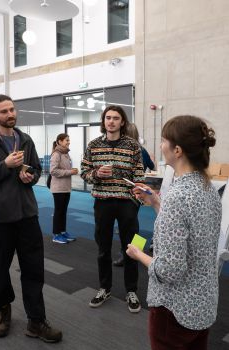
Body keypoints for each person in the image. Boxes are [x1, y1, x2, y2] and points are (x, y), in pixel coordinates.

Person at [0, 94, 62, 342]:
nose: (10, 114)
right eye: (4, 112)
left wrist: (30, 176)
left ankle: (36, 320)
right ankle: (3, 311)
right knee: (0, 269)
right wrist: (5, 165)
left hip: (27, 215)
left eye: (12, 110)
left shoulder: (26, 139)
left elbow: (35, 169)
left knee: (33, 269)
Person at [126, 115, 221, 350]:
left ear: (177, 150)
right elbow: (191, 233)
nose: (160, 146)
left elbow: (169, 270)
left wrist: (138, 254)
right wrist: (158, 203)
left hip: (174, 310)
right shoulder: (207, 187)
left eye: (163, 140)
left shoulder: (179, 196)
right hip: (202, 304)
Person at [81, 105, 145, 313]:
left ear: (122, 122)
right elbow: (84, 172)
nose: (111, 121)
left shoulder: (132, 146)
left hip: (127, 203)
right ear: (104, 121)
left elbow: (139, 174)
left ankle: (131, 291)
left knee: (132, 249)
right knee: (103, 249)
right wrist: (97, 175)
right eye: (108, 118)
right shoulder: (93, 145)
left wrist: (138, 197)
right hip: (103, 202)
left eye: (115, 118)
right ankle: (105, 288)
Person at [113, 122, 155, 267]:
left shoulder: (131, 150)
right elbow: (152, 166)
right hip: (136, 192)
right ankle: (133, 251)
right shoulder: (142, 149)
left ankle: (128, 253)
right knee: (131, 223)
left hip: (128, 192)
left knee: (128, 225)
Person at [50, 133, 78, 244]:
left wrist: (70, 171)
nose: (69, 142)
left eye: (69, 140)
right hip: (58, 188)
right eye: (67, 140)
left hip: (66, 187)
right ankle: (56, 235)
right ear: (60, 141)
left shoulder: (66, 153)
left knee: (63, 211)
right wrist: (70, 172)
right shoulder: (56, 154)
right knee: (59, 211)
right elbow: (53, 171)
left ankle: (62, 231)